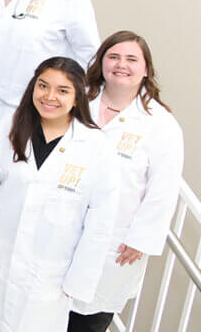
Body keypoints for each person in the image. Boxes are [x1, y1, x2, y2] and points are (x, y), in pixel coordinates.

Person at [0, 58, 119, 332]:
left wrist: (79, 278)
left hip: (52, 272)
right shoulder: (11, 128)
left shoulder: (96, 147)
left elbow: (100, 221)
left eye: (62, 90)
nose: (50, 96)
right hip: (1, 255)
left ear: (77, 97)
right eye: (43, 86)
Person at [69, 32, 184, 332]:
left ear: (146, 69)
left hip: (115, 243)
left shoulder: (160, 124)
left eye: (132, 59)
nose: (122, 65)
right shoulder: (76, 100)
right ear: (101, 62)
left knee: (89, 319)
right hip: (61, 227)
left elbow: (164, 189)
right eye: (114, 57)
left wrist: (141, 239)